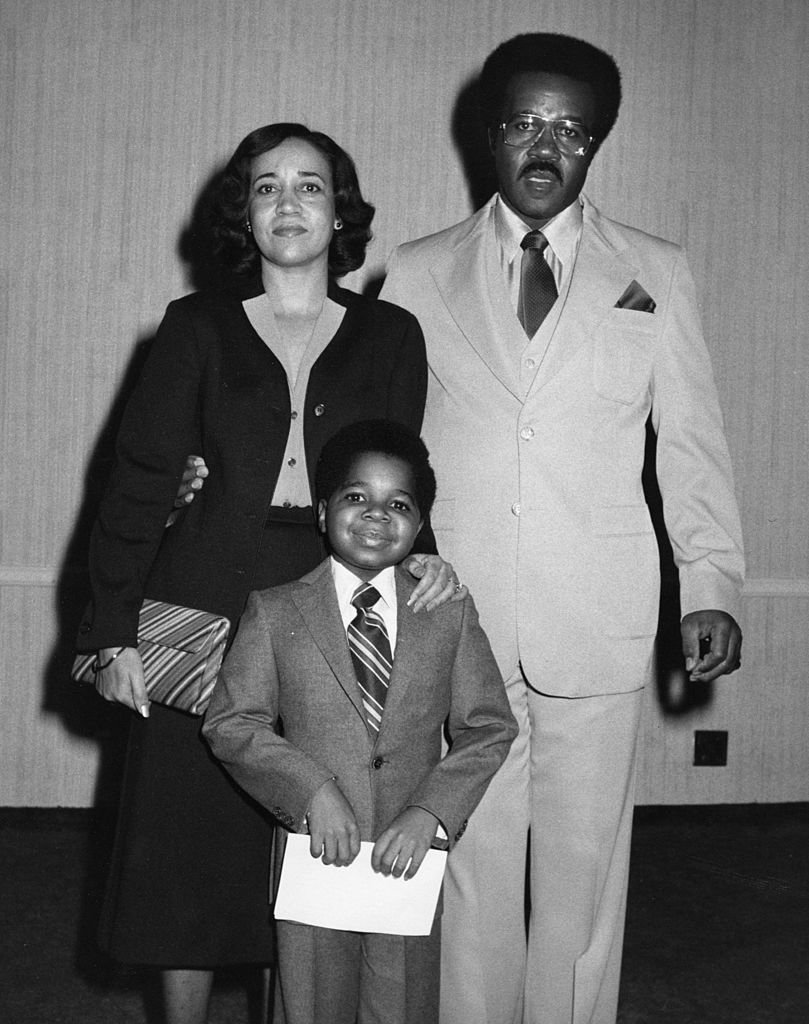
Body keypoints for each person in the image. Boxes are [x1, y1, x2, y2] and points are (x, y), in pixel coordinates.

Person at [379, 33, 745, 1024]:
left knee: (583, 873)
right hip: (456, 613)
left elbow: (691, 449)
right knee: (473, 862)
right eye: (524, 122)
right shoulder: (415, 271)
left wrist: (707, 586)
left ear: (597, 144)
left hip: (600, 614)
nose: (545, 145)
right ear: (488, 133)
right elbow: (377, 449)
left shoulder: (654, 272)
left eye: (570, 129)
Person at [75, 123, 459, 1024]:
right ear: (243, 214)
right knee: (184, 852)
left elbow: (399, 479)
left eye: (311, 186)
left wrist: (427, 567)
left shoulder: (392, 334)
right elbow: (137, 483)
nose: (289, 203)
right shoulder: (194, 325)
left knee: (303, 851)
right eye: (266, 187)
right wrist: (108, 634)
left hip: (323, 614)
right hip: (198, 598)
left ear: (340, 213)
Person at [202, 419, 517, 1024]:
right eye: (356, 497)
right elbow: (232, 722)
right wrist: (310, 789)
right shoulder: (275, 611)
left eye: (398, 504)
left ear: (420, 525)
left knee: (401, 1003)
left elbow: (490, 725)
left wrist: (432, 812)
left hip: (409, 856)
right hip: (314, 855)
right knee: (312, 1002)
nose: (377, 514)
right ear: (322, 513)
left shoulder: (447, 613)